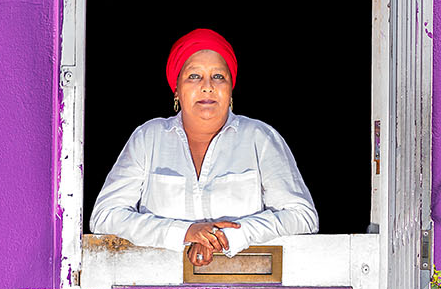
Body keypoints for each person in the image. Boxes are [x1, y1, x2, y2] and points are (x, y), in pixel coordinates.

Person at [90, 28, 318, 266]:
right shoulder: (149, 138)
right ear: (176, 89)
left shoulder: (259, 138)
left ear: (231, 88)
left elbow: (302, 217)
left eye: (218, 76)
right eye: (194, 76)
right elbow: (105, 217)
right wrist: (184, 232)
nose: (207, 86)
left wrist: (229, 236)